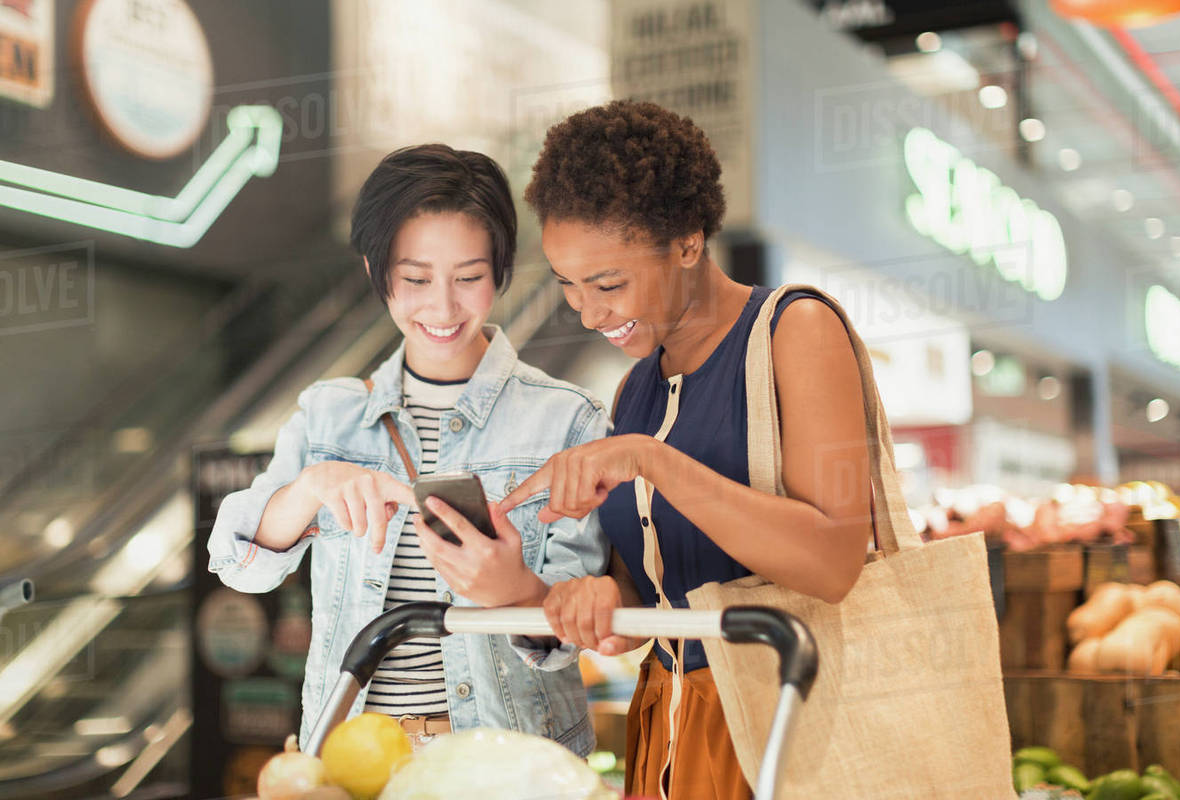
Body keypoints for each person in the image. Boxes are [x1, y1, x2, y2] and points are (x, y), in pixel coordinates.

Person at [500, 101, 873, 799]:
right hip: (669, 727)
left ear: (689, 243)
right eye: (569, 286)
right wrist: (599, 597)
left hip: (794, 727)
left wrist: (653, 461)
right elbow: (651, 595)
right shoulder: (634, 392)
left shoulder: (794, 330)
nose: (589, 312)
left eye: (609, 284)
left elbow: (833, 562)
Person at [208, 144, 610, 756]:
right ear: (377, 273)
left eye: (469, 277)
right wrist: (315, 484)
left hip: (503, 765)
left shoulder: (567, 420)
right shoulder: (328, 413)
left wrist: (515, 588)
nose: (443, 307)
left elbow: (569, 636)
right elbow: (239, 564)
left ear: (501, 272)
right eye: (416, 279)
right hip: (353, 764)